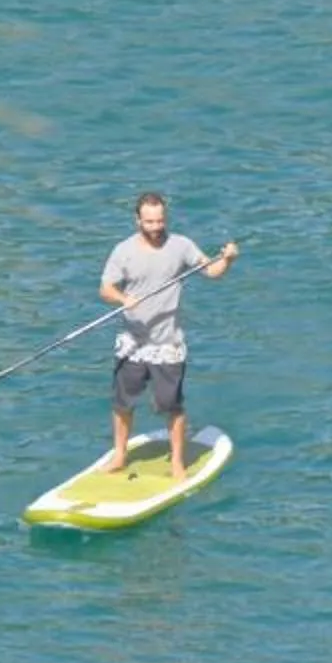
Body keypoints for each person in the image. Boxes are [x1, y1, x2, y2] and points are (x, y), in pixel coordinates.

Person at [99, 192, 237, 478]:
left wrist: (227, 259)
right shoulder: (123, 251)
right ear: (138, 220)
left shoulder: (181, 245)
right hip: (133, 342)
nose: (155, 226)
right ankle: (120, 455)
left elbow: (211, 271)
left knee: (170, 405)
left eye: (160, 220)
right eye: (149, 221)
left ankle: (176, 461)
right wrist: (123, 299)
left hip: (167, 343)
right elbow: (106, 289)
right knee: (122, 403)